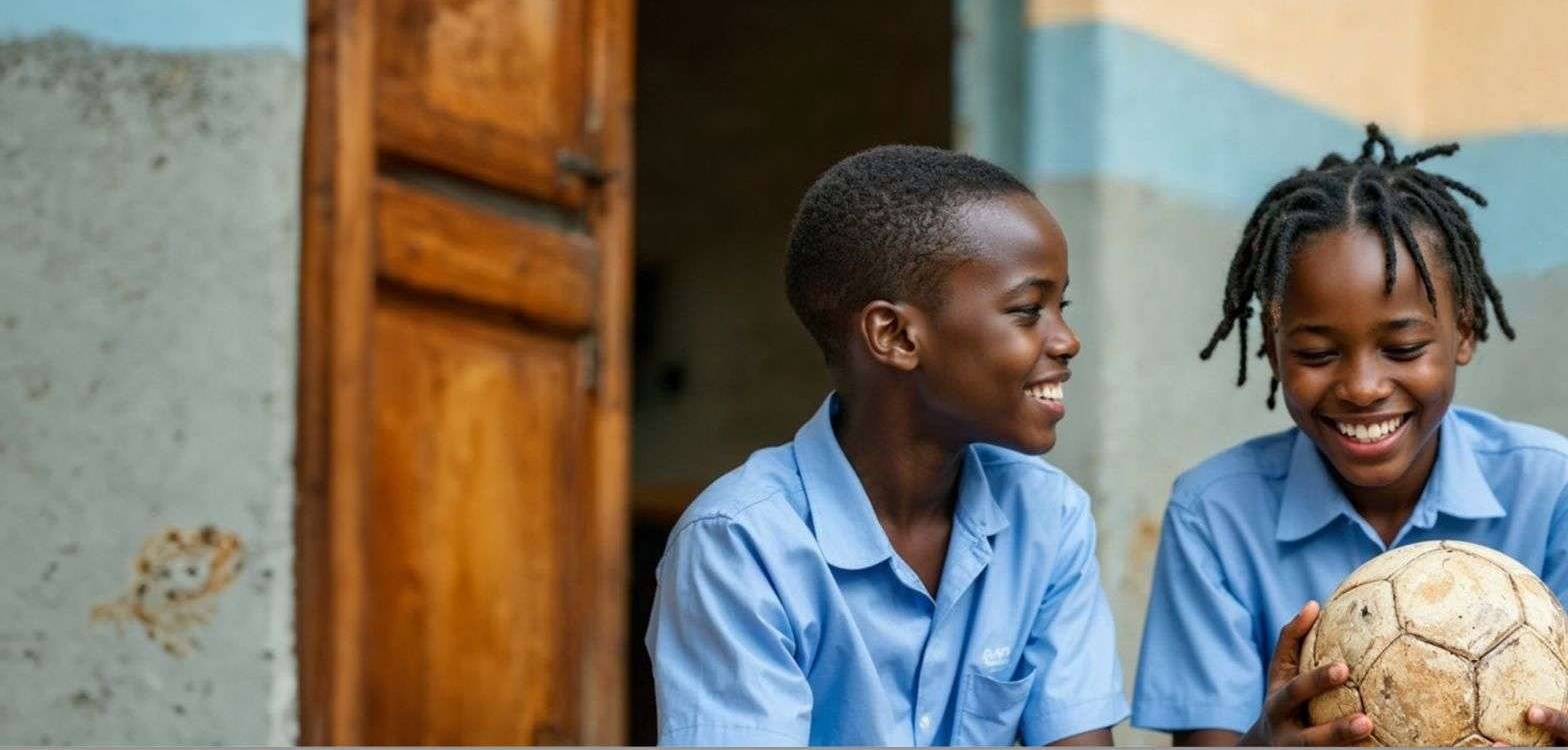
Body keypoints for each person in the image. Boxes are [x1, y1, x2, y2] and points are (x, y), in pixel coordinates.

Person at [645, 145, 1128, 746]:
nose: (1068, 340)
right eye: (1029, 310)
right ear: (896, 335)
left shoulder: (1048, 517)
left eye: (1064, 306)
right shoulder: (741, 544)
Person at [1133, 124, 1568, 745]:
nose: (1362, 386)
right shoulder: (1215, 514)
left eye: (1404, 347)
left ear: (1465, 333)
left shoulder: (1551, 487)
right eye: (1315, 353)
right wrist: (1265, 742)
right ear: (1272, 352)